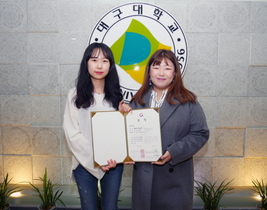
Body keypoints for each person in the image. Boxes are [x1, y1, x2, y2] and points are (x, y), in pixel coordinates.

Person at [129, 49, 209, 210]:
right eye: (156, 66)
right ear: (149, 71)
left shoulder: (188, 101)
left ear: (175, 73)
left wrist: (174, 151)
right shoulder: (136, 101)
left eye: (167, 67)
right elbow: (126, 135)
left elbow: (200, 134)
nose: (161, 72)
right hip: (144, 181)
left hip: (175, 181)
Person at [63, 42, 131, 210]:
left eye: (105, 61)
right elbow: (72, 133)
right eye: (94, 60)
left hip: (112, 163)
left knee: (110, 207)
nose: (99, 65)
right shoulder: (75, 95)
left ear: (111, 66)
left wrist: (126, 116)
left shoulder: (116, 97)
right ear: (86, 63)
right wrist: (96, 157)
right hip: (84, 162)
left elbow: (121, 134)